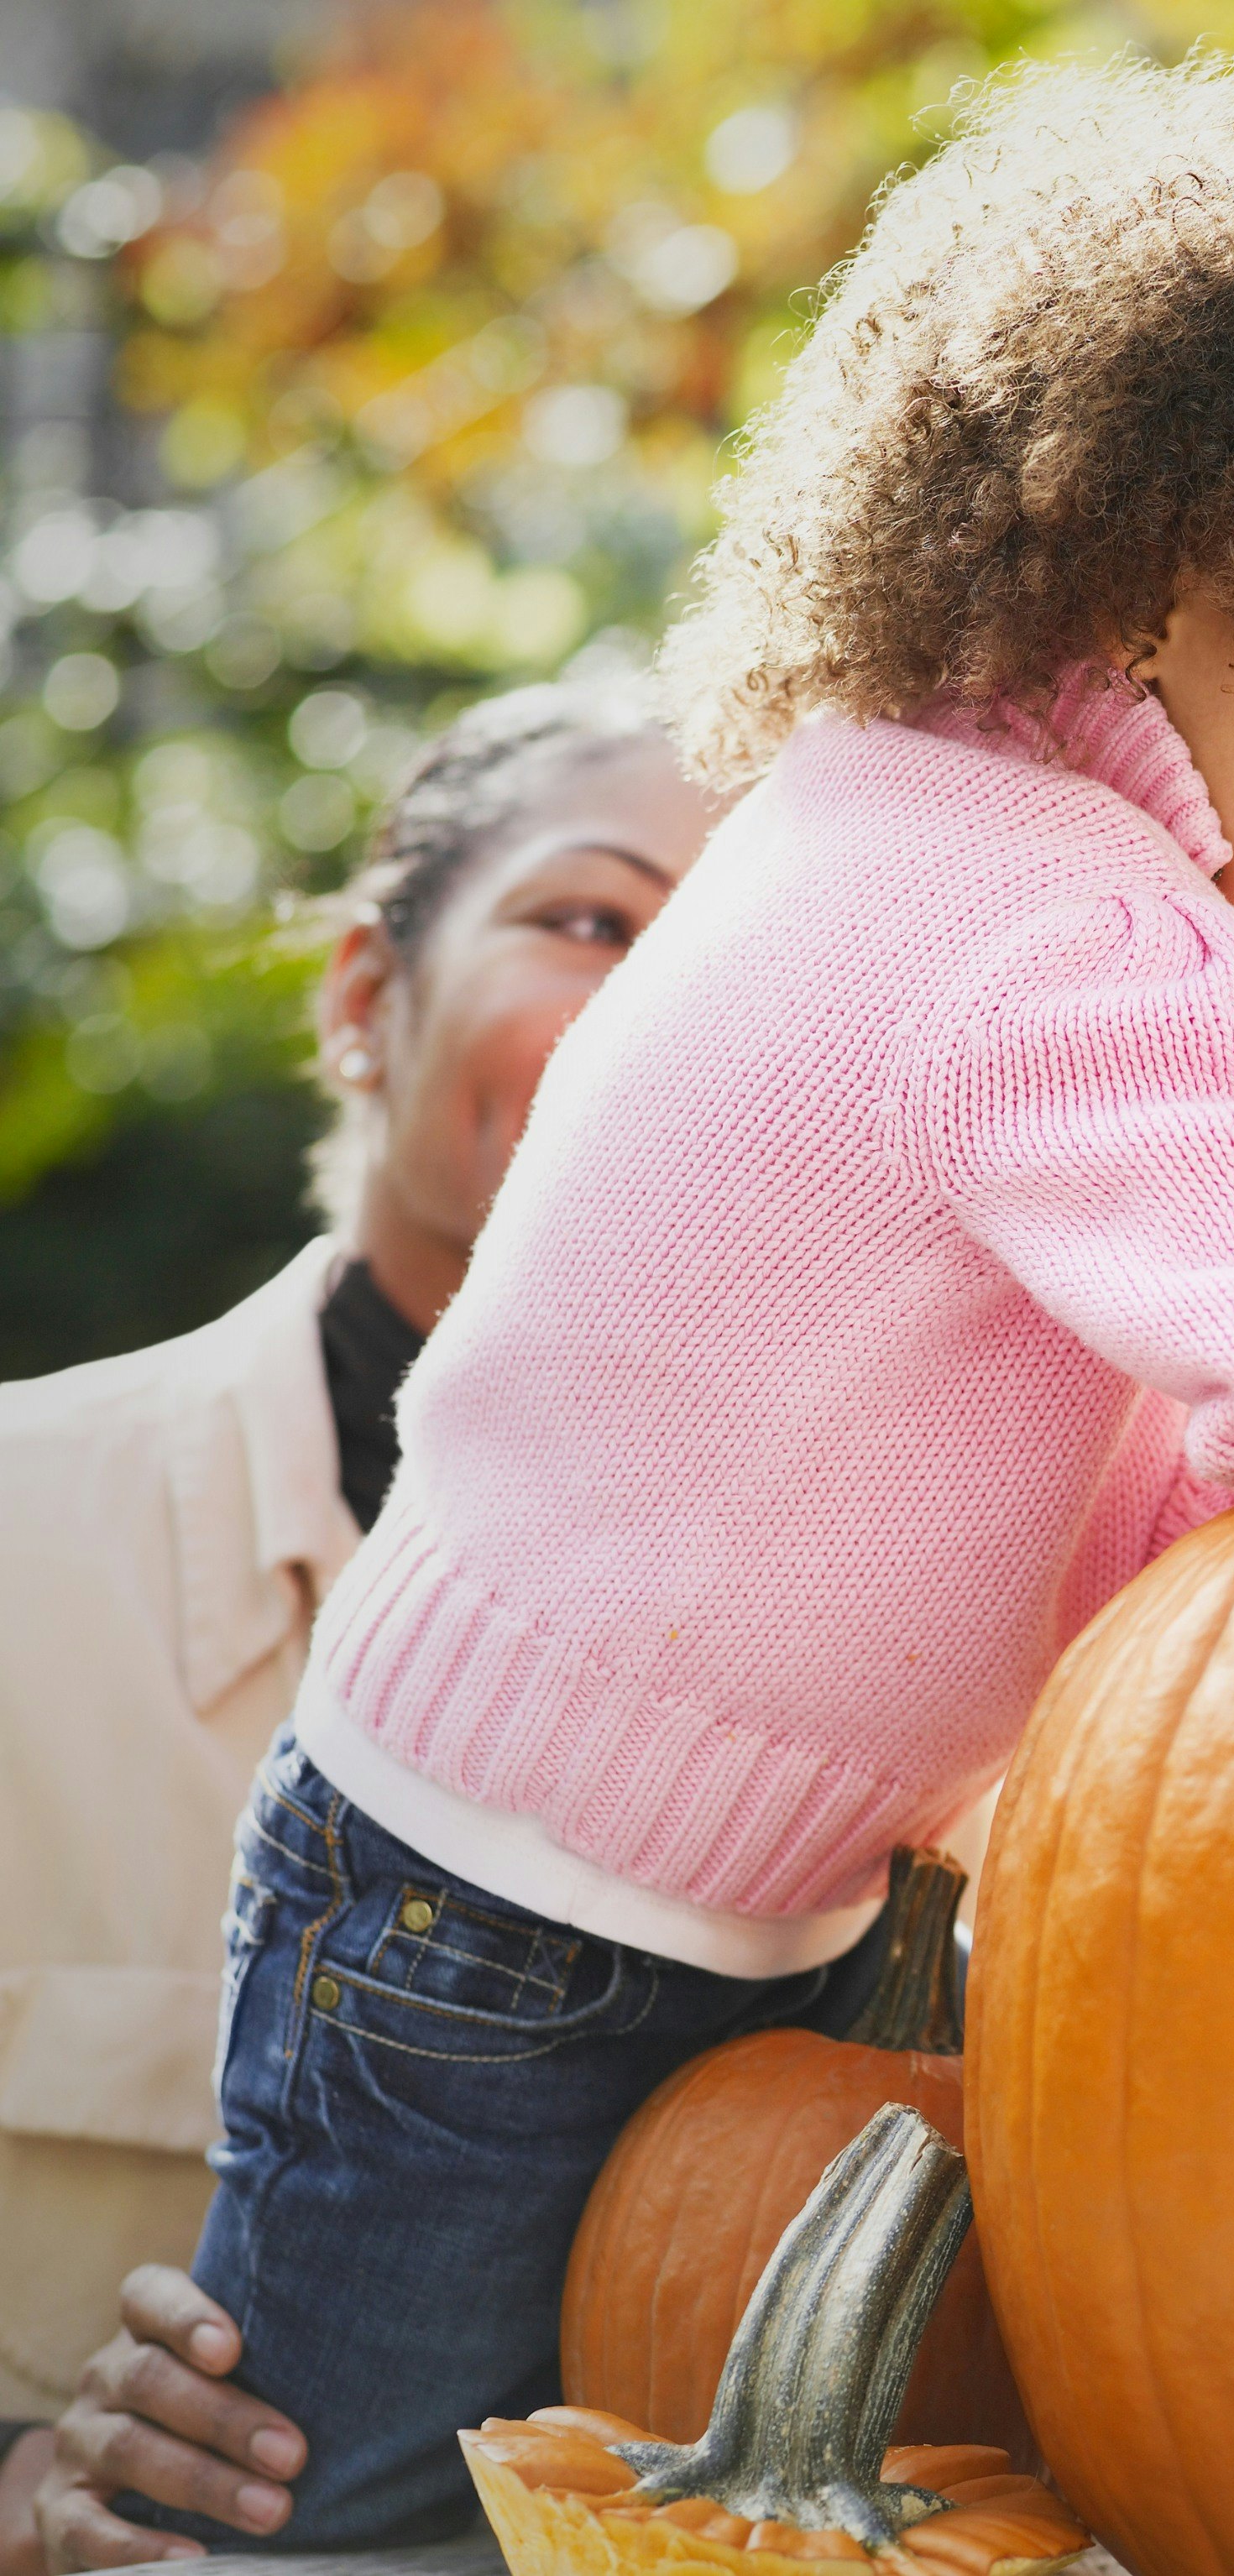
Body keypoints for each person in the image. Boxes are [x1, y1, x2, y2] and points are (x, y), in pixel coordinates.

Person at [144, 52, 1234, 2556]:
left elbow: (1124, 1462)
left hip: (555, 1869)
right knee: (362, 2520)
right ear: (1181, 581)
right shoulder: (1077, 938)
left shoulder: (904, 811)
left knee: (578, 2500)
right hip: (516, 1929)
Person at [0, 685, 720, 2572]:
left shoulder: (968, 1714)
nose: (670, 1016)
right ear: (361, 994)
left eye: (753, 965)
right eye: (593, 923)